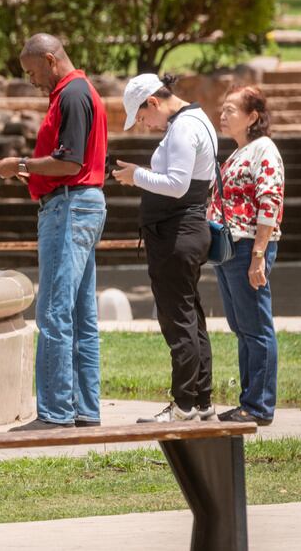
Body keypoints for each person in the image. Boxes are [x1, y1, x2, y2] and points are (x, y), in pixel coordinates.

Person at [0, 33, 107, 431]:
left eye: (32, 71)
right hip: (81, 204)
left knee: (55, 310)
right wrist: (27, 172)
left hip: (70, 205)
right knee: (80, 312)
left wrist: (20, 163)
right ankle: (85, 409)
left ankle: (56, 412)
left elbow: (69, 163)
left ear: (49, 59)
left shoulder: (71, 94)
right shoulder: (78, 91)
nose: (31, 80)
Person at [112, 74, 219, 423]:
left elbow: (176, 184)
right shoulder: (194, 120)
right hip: (184, 232)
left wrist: (136, 177)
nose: (146, 125)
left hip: (177, 235)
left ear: (154, 102)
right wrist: (139, 172)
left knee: (178, 321)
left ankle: (184, 405)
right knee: (190, 317)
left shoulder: (184, 127)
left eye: (143, 118)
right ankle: (200, 401)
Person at [211, 86, 284, 425]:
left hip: (248, 248)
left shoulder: (263, 150)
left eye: (230, 110)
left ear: (252, 117)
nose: (222, 116)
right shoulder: (238, 152)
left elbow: (270, 202)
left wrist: (259, 254)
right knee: (242, 327)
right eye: (222, 110)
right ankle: (248, 401)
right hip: (230, 249)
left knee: (256, 327)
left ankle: (259, 406)